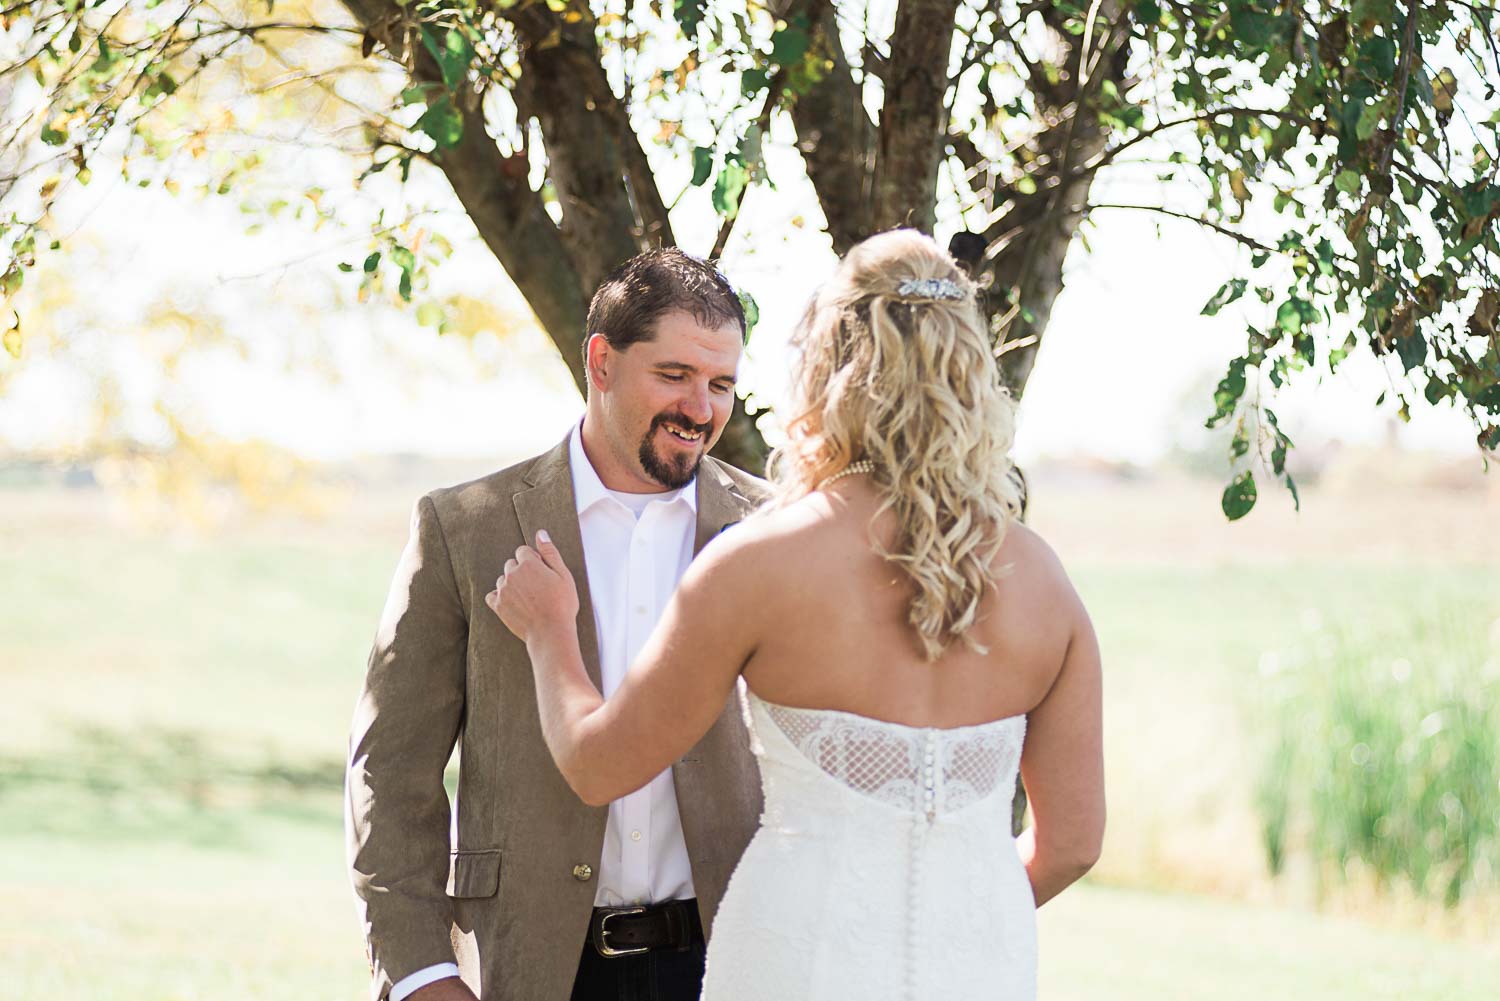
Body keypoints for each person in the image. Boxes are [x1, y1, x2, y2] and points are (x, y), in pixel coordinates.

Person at [491, 229, 1105, 1000]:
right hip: (979, 965)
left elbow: (596, 764)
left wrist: (551, 631)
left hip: (794, 961)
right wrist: (957, 913)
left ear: (826, 368)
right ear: (971, 371)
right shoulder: (1044, 580)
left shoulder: (757, 562)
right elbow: (1074, 843)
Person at [345, 248, 769, 1001]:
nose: (701, 409)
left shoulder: (778, 532)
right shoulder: (464, 528)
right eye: (673, 376)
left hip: (736, 965)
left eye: (721, 384)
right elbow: (390, 769)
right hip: (529, 966)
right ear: (601, 362)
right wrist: (420, 973)